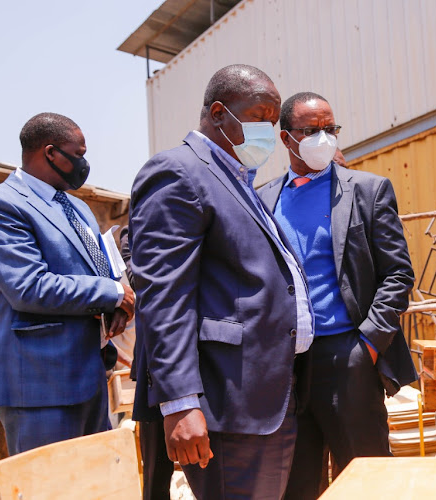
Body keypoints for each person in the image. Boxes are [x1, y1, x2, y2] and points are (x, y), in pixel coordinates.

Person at [129, 64, 313, 500]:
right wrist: (180, 401)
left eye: (274, 120)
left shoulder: (236, 177)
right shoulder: (178, 173)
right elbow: (164, 296)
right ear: (218, 113)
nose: (269, 129)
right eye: (260, 116)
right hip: (226, 402)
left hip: (266, 395)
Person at [258, 92, 416, 498]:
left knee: (366, 481)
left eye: (330, 129)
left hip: (348, 356)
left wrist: (368, 345)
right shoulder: (262, 201)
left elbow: (397, 274)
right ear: (287, 138)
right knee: (296, 483)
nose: (323, 139)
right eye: (311, 131)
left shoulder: (367, 190)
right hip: (286, 367)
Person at [0, 112, 135, 455]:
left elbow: (100, 271)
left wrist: (115, 307)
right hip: (38, 386)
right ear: (50, 153)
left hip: (89, 376)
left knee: (94, 488)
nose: (84, 162)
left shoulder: (79, 208)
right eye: (79, 153)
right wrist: (113, 293)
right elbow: (29, 287)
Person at [119, 226, 173, 500]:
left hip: (208, 359)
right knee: (156, 469)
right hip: (156, 362)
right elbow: (144, 280)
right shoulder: (133, 234)